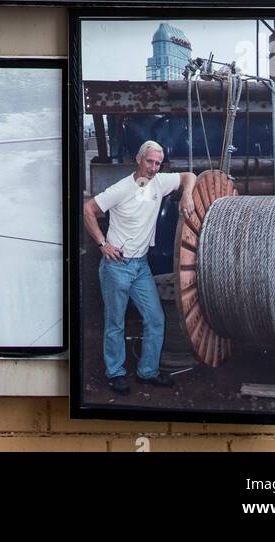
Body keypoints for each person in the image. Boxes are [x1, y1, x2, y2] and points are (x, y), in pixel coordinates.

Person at [83, 140, 197, 395]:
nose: (154, 168)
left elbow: (189, 176)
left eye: (158, 163)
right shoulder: (121, 189)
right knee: (115, 322)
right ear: (138, 159)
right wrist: (102, 244)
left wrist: (187, 194)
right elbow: (88, 209)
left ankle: (148, 372)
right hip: (117, 266)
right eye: (150, 162)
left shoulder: (159, 182)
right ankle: (115, 373)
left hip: (141, 266)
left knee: (155, 318)